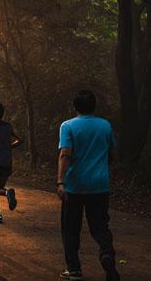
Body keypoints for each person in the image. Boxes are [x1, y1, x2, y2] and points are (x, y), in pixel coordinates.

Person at [57, 90, 119, 281]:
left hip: (75, 186)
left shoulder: (67, 126)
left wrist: (61, 181)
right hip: (100, 186)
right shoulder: (105, 125)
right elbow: (111, 154)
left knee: (71, 227)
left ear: (75, 107)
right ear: (94, 106)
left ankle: (74, 269)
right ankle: (106, 254)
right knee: (100, 226)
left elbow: (65, 153)